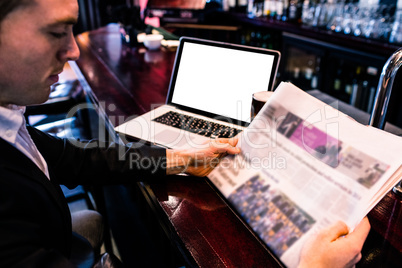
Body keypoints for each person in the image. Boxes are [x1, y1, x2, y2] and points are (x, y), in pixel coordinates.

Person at [0, 0, 370, 267]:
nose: (74, 50)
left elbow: (74, 157)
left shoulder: (9, 119)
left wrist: (183, 158)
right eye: (55, 31)